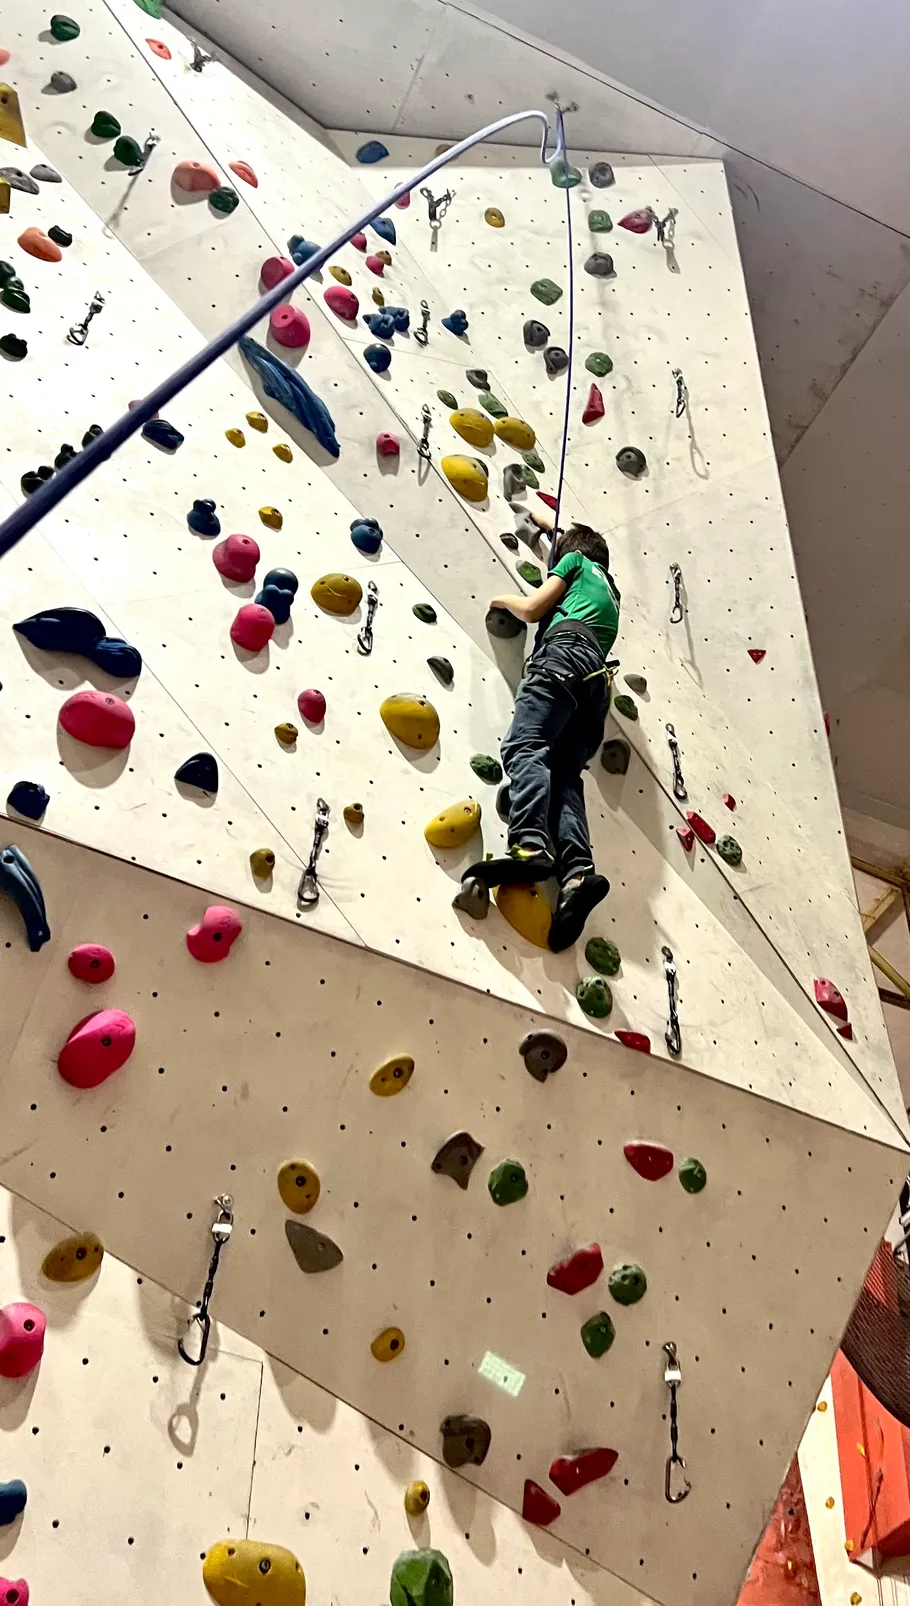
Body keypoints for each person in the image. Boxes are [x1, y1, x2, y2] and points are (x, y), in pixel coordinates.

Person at [464, 518, 620, 952]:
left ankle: (530, 845)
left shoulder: (572, 560)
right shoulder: (609, 588)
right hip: (595, 684)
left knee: (525, 747)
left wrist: (500, 598)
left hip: (561, 660)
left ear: (571, 552)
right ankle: (577, 877)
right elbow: (578, 547)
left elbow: (533, 609)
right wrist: (548, 526)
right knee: (566, 775)